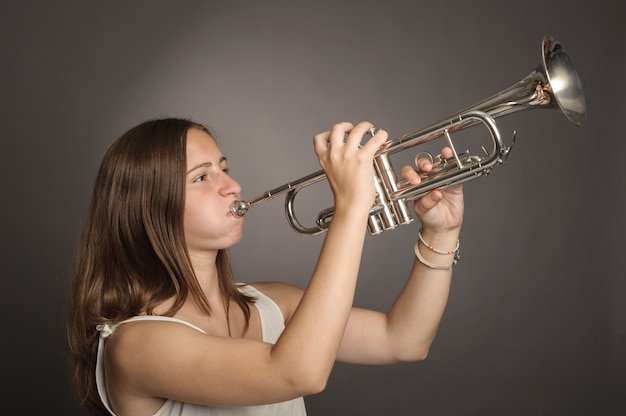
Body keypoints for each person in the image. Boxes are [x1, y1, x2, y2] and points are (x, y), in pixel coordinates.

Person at [67, 117, 464, 416]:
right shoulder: (135, 345)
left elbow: (403, 340)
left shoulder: (273, 303)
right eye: (202, 177)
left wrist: (442, 234)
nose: (232, 185)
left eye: (224, 167)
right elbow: (297, 373)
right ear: (149, 208)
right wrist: (351, 209)